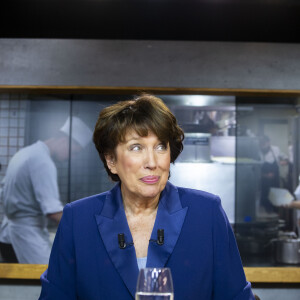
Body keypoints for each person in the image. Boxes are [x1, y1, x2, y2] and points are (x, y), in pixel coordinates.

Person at [39, 95, 255, 299]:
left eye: (160, 146)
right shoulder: (78, 219)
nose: (152, 162)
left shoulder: (207, 214)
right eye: (136, 147)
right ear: (111, 161)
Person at [0, 117, 92, 264]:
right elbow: (53, 212)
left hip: (7, 235)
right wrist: (82, 230)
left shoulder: (25, 153)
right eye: (73, 152)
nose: (70, 158)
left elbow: (3, 191)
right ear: (64, 141)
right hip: (27, 235)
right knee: (47, 278)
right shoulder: (42, 161)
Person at [259, 135, 288, 213]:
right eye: (261, 144)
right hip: (263, 182)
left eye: (264, 143)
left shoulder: (276, 149)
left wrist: (284, 162)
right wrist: (265, 175)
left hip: (275, 181)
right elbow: (255, 169)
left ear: (268, 142)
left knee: (275, 199)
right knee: (265, 200)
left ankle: (275, 213)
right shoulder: (257, 152)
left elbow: (285, 158)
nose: (262, 145)